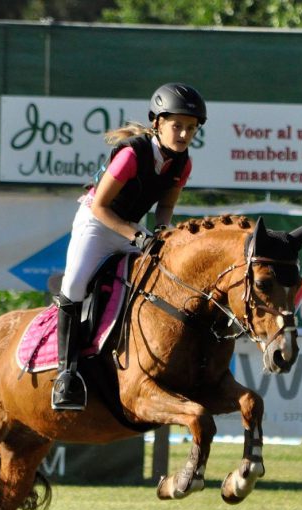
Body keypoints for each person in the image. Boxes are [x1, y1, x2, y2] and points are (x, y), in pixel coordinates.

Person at [50, 82, 206, 411]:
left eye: (190, 128)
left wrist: (161, 235)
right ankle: (66, 374)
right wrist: (137, 237)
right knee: (76, 284)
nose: (183, 134)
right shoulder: (131, 154)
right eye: (176, 125)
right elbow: (100, 208)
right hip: (97, 222)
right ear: (157, 124)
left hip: (132, 228)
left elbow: (164, 207)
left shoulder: (182, 163)